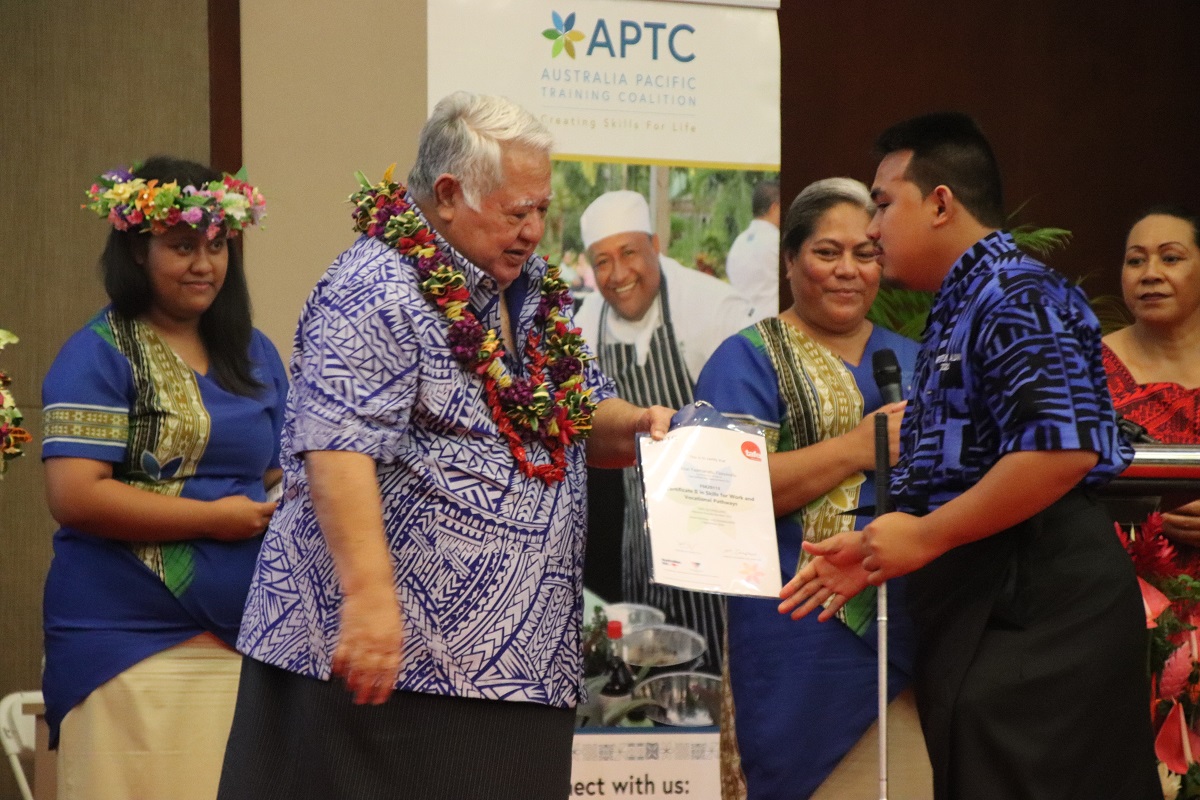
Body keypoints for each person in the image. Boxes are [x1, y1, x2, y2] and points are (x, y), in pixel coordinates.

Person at [217, 92, 672, 800]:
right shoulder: (373, 288)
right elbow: (337, 448)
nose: (531, 230)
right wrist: (368, 600)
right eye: (515, 211)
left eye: (540, 210)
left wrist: (639, 424)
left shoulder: (535, 294)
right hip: (393, 669)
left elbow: (580, 411)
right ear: (450, 194)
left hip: (519, 668)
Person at [779, 113, 1161, 799]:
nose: (870, 229)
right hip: (990, 600)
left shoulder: (1019, 293)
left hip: (1047, 609)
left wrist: (923, 537)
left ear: (941, 202)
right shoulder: (962, 305)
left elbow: (1062, 451)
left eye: (883, 204)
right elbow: (961, 471)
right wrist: (874, 548)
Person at [41, 157, 282, 800]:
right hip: (126, 641)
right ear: (136, 250)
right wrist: (217, 518)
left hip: (245, 638)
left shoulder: (255, 352)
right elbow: (75, 496)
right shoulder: (96, 352)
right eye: (181, 247)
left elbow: (282, 472)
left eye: (216, 245)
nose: (204, 264)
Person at [693, 178, 925, 799]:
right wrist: (856, 447)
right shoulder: (745, 360)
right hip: (791, 634)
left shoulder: (916, 360)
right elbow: (722, 498)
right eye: (827, 253)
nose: (848, 270)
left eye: (864, 253)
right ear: (790, 260)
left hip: (912, 629)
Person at [573, 189, 757, 673]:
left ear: (656, 244)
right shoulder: (584, 325)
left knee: (722, 658)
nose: (617, 275)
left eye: (629, 252)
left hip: (718, 521)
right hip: (641, 528)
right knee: (651, 662)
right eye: (602, 261)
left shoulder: (713, 309)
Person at [1103, 206, 1200, 544]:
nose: (1150, 274)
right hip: (1119, 579)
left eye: (1171, 258)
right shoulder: (1082, 368)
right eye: (1135, 261)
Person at [725, 179, 781, 316]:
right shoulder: (777, 242)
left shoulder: (738, 243)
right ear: (774, 208)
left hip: (742, 323)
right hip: (772, 323)